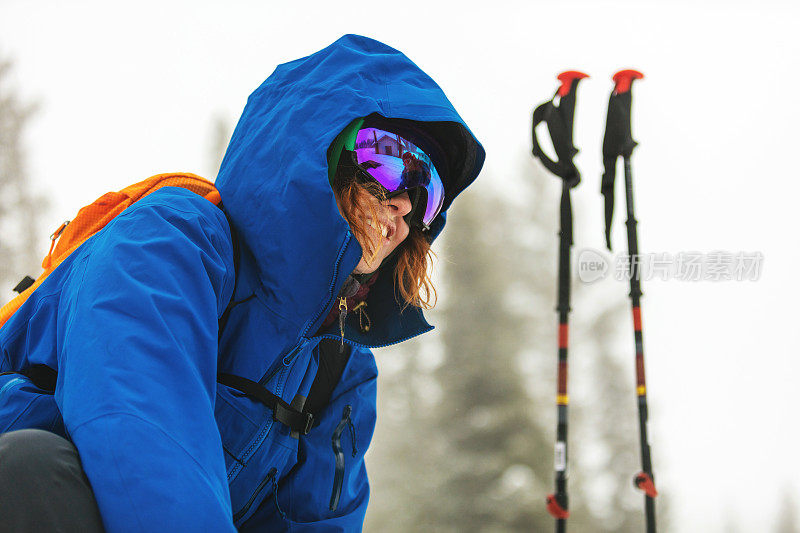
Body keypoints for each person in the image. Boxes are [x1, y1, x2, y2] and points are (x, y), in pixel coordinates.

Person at [0, 34, 484, 532]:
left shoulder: (339, 368)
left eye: (428, 194)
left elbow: (315, 524)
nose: (405, 202)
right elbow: (141, 441)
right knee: (35, 468)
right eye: (389, 159)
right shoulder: (170, 242)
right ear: (315, 145)